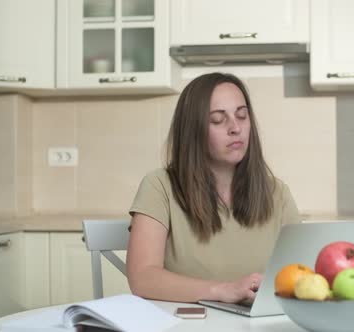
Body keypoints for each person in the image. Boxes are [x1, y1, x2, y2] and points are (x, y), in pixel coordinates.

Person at [126, 72, 301, 304]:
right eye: (218, 120)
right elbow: (142, 278)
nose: (235, 128)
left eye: (242, 116)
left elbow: (302, 275)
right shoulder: (160, 187)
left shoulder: (278, 193)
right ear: (192, 131)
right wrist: (223, 290)